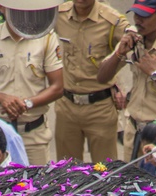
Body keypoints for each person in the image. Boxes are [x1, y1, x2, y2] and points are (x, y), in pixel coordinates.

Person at [0, 6, 65, 164]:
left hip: (33, 135)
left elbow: (57, 87)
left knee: (37, 186)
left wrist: (27, 103)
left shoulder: (45, 37)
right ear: (0, 6)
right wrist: (2, 98)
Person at [96, 0, 156, 139]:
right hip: (134, 131)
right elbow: (101, 78)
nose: (138, 21)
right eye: (136, 15)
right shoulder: (132, 38)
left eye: (145, 16)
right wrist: (118, 54)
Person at [53, 0, 126, 162]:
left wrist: (119, 83)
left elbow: (133, 42)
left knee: (104, 174)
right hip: (67, 106)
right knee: (67, 173)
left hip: (99, 109)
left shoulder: (111, 21)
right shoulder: (59, 15)